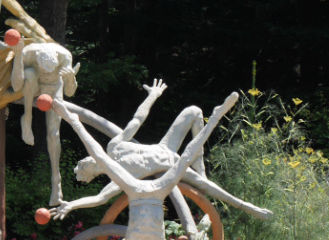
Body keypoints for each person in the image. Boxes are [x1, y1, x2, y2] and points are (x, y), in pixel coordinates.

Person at [50, 92, 240, 240]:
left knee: (189, 127)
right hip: (156, 184)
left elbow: (134, 123)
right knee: (187, 149)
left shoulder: (113, 150)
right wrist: (71, 204)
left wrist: (152, 96)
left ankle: (212, 131)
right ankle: (214, 120)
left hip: (151, 175)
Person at [51, 80, 272, 222]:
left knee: (194, 111)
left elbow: (137, 120)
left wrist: (152, 95)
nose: (84, 160)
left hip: (165, 147)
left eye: (82, 161)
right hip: (171, 165)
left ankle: (201, 167)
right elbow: (99, 199)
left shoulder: (113, 146)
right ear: (92, 173)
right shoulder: (117, 178)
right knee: (206, 187)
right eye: (83, 166)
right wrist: (71, 205)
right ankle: (249, 208)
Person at [11, 39, 79, 206]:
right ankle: (27, 119)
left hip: (55, 88)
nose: (47, 73)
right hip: (33, 86)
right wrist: (18, 56)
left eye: (51, 70)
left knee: (54, 134)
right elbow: (16, 85)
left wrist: (71, 79)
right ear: (38, 61)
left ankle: (57, 182)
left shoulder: (64, 56)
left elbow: (70, 91)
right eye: (44, 70)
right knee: (29, 75)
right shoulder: (29, 53)